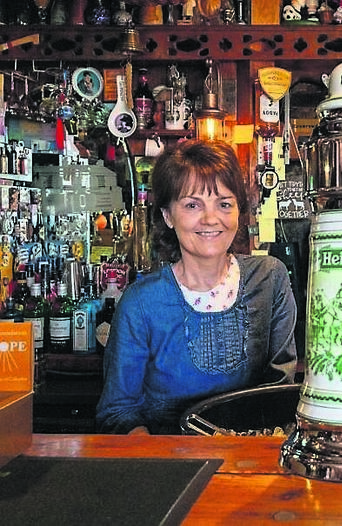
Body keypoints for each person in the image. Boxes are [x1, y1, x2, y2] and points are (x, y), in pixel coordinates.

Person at [96, 140, 297, 435]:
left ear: (239, 211)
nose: (211, 219)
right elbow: (118, 412)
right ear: (168, 216)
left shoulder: (269, 278)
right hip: (172, 458)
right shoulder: (141, 302)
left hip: (252, 455)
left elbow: (280, 388)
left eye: (224, 204)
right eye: (192, 205)